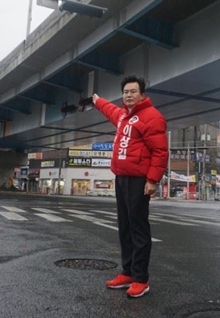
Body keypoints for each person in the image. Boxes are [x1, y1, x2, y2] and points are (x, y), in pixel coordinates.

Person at [92, 75, 168, 299]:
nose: (128, 95)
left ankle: (141, 278)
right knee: (124, 227)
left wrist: (152, 180)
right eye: (125, 92)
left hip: (138, 180)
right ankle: (127, 272)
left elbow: (160, 152)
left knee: (138, 229)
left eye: (133, 91)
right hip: (121, 178)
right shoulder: (124, 115)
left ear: (142, 94)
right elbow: (110, 110)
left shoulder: (152, 117)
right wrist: (97, 101)